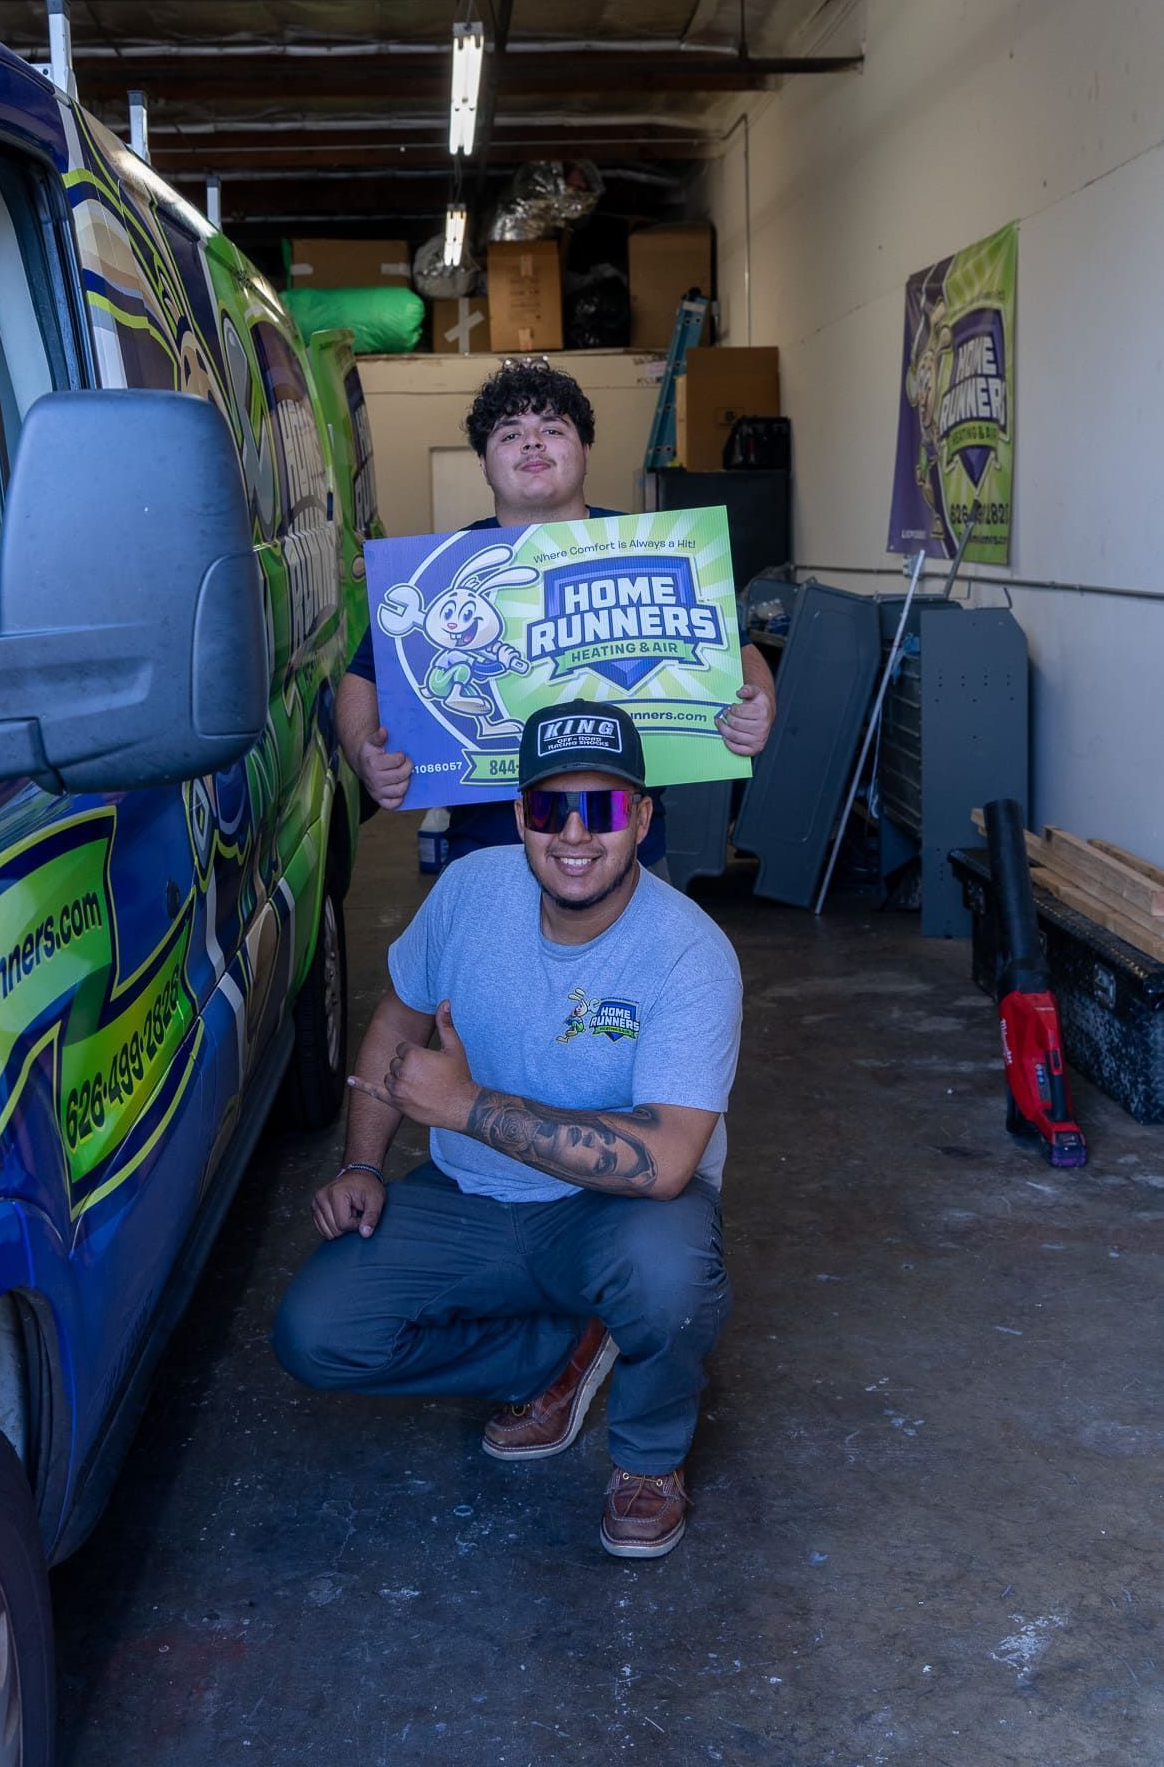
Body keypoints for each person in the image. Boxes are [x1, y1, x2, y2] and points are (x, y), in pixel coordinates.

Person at [273, 700, 741, 1558]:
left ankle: (646, 1460)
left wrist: (464, 1106)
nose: (574, 834)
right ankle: (555, 1353)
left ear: (641, 820)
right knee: (320, 1334)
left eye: (601, 808)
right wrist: (362, 1165)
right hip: (469, 1197)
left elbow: (670, 1159)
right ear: (520, 815)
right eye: (548, 809)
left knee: (668, 1277)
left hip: (610, 1212)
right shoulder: (468, 891)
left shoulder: (689, 953)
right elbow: (396, 1021)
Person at [334, 358, 776, 867]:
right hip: (488, 858)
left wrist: (758, 701)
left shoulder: (652, 545)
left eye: (552, 429)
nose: (532, 443)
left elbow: (740, 650)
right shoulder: (436, 569)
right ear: (483, 464)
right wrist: (363, 751)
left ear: (585, 450)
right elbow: (362, 678)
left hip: (629, 858)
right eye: (509, 434)